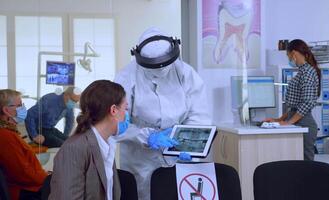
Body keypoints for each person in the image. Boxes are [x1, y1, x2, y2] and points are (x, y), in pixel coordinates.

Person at [114, 27, 211, 200]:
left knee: (181, 192)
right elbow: (117, 124)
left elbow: (199, 115)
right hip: (141, 159)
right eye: (154, 67)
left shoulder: (187, 74)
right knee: (143, 194)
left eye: (165, 64)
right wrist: (146, 136)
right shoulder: (126, 77)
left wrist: (189, 144)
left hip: (180, 154)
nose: (161, 70)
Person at [49, 80, 129, 200]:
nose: (127, 115)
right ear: (113, 110)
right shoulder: (75, 148)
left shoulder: (107, 145)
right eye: (125, 109)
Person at [264, 39, 320, 161]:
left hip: (304, 124)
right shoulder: (302, 72)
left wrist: (289, 122)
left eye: (287, 55)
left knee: (305, 167)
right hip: (297, 120)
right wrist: (279, 120)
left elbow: (307, 103)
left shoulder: (308, 72)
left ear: (293, 53)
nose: (288, 58)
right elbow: (294, 107)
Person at [0, 89, 48, 200]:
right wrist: (47, 177)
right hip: (26, 192)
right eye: (20, 105)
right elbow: (24, 174)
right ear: (6, 110)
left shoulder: (9, 132)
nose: (23, 108)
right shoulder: (6, 136)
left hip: (31, 185)